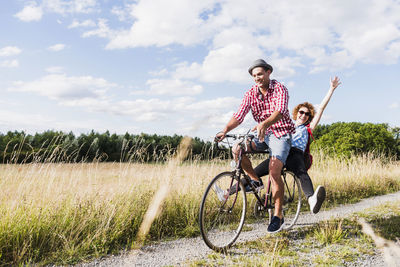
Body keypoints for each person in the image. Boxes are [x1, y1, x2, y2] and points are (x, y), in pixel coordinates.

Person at [216, 59, 295, 233]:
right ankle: (255, 180)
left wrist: (265, 123)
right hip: (262, 133)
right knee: (236, 148)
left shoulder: (280, 89)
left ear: (268, 72)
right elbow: (239, 115)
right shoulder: (251, 93)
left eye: (260, 74)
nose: (257, 78)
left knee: (274, 172)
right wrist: (225, 129)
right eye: (254, 76)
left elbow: (280, 111)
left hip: (280, 133)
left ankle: (278, 215)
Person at [254, 76, 341, 214]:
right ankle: (228, 192)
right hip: (280, 153)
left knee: (301, 172)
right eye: (301, 112)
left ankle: (312, 199)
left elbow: (322, 108)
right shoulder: (287, 125)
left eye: (307, 114)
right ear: (297, 113)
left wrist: (331, 89)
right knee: (254, 172)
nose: (304, 115)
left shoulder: (308, 128)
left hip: (295, 154)